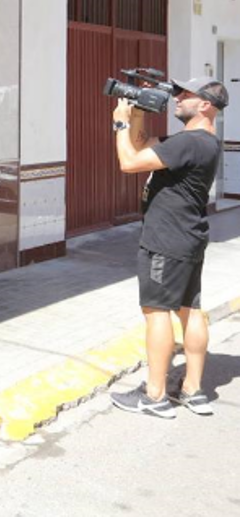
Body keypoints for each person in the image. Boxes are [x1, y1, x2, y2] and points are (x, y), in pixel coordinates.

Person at [109, 76, 227, 419]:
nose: (177, 99)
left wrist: (120, 122)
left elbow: (129, 161)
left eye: (185, 95)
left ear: (205, 104)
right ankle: (192, 389)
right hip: (189, 236)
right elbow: (144, 142)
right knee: (190, 309)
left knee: (156, 310)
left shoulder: (189, 143)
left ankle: (155, 395)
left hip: (166, 239)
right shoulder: (202, 141)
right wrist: (142, 113)